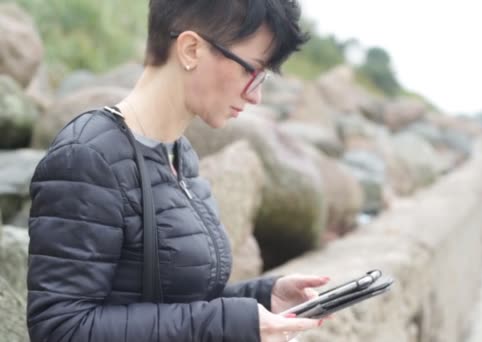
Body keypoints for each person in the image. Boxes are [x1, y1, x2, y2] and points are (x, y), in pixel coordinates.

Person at [26, 0, 330, 341]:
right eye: (251, 71)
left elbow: (170, 301)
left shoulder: (178, 153)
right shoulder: (87, 157)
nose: (256, 96)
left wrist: (259, 298)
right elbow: (61, 329)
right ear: (190, 50)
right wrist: (227, 323)